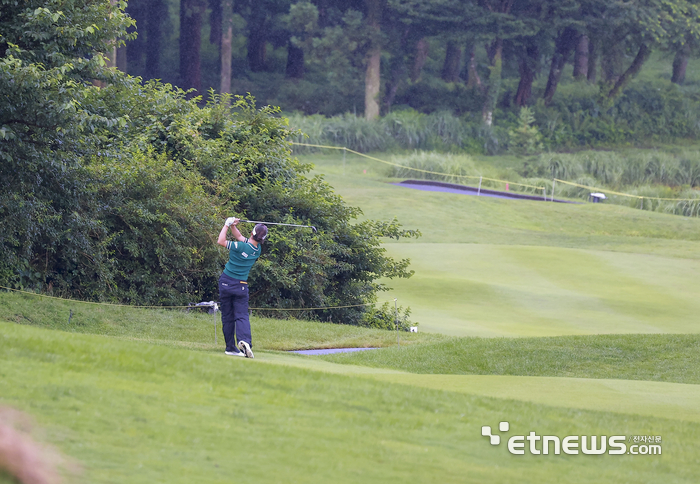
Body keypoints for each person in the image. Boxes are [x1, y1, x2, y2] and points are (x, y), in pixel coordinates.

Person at [217, 217, 268, 358]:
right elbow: (239, 236)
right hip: (241, 286)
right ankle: (244, 341)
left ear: (252, 233)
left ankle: (230, 348)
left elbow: (221, 241)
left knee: (227, 316)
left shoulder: (241, 247)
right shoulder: (257, 249)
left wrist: (226, 225)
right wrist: (233, 226)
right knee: (242, 316)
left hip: (226, 282)